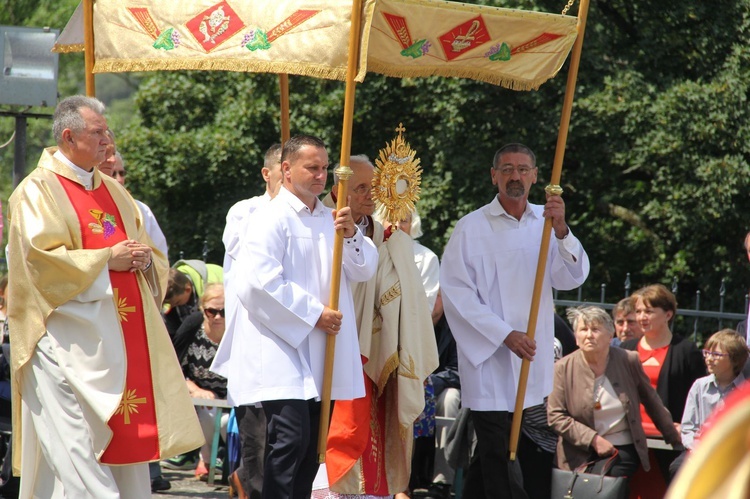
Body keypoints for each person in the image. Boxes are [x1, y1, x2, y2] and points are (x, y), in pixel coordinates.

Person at [6, 95, 202, 498]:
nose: (107, 141)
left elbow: (151, 257)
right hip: (63, 341)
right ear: (68, 136)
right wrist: (106, 259)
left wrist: (145, 260)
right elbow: (40, 262)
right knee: (74, 447)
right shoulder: (36, 192)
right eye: (97, 133)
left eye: (107, 132)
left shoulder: (116, 191)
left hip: (122, 340)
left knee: (124, 446)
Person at [230, 135, 378, 498]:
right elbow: (258, 283)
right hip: (282, 346)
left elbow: (363, 269)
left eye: (325, 168)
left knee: (313, 448)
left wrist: (352, 234)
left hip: (321, 350)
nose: (321, 176)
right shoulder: (268, 218)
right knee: (289, 442)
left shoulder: (332, 219)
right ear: (286, 168)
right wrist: (314, 315)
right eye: (312, 167)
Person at [440, 143, 590, 499]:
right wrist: (504, 334)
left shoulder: (547, 222)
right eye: (507, 169)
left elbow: (573, 276)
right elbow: (456, 292)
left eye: (523, 169)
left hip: (529, 357)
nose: (515, 176)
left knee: (498, 452)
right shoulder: (471, 227)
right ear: (494, 176)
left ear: (536, 176)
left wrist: (562, 229)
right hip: (489, 358)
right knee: (497, 449)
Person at [323, 155, 437, 498]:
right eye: (360, 188)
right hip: (327, 337)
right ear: (338, 191)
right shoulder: (321, 223)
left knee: (369, 422)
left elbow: (414, 303)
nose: (370, 195)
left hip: (368, 345)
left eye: (374, 187)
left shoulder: (385, 236)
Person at [212, 143, 282, 499]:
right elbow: (249, 252)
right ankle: (246, 484)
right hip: (253, 345)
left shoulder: (311, 214)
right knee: (258, 441)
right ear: (267, 174)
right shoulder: (246, 211)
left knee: (289, 446)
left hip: (293, 350)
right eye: (284, 173)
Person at [547, 306, 681, 482]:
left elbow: (651, 401)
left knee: (604, 483)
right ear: (576, 338)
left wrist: (674, 436)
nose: (589, 335)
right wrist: (593, 440)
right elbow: (555, 416)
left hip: (621, 447)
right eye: (583, 330)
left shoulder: (628, 360)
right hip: (577, 451)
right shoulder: (562, 368)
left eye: (595, 329)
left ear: (610, 336)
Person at [620, 284, 705, 482]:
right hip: (629, 436)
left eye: (649, 311)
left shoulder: (686, 351)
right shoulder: (625, 349)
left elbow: (698, 397)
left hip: (668, 439)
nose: (641, 317)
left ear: (668, 314)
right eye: (639, 311)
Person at [668, 329, 749, 478]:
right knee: (677, 467)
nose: (709, 359)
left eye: (716, 355)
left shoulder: (745, 392)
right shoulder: (699, 386)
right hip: (700, 450)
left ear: (735, 359)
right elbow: (688, 428)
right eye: (707, 353)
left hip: (732, 452)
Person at [174, 283, 229, 480]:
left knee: (225, 423)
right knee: (209, 412)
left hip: (231, 396)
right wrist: (195, 389)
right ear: (202, 309)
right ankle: (205, 459)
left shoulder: (238, 330)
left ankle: (231, 465)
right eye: (211, 311)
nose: (217, 317)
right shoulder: (193, 326)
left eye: (224, 311)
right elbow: (173, 367)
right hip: (197, 395)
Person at [109, 152, 169, 259]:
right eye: (113, 173)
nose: (119, 179)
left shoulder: (141, 209)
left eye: (122, 173)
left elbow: (160, 255)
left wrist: (144, 260)